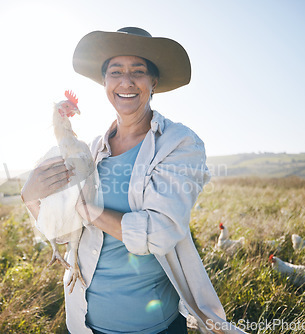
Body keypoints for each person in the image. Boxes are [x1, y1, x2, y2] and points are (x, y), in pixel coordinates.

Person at [21, 27, 246, 334]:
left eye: (137, 71)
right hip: (85, 321)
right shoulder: (90, 151)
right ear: (104, 82)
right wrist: (31, 198)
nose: (126, 81)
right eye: (116, 72)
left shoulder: (178, 144)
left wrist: (89, 212)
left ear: (153, 82)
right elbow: (64, 232)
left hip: (154, 326)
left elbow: (161, 233)